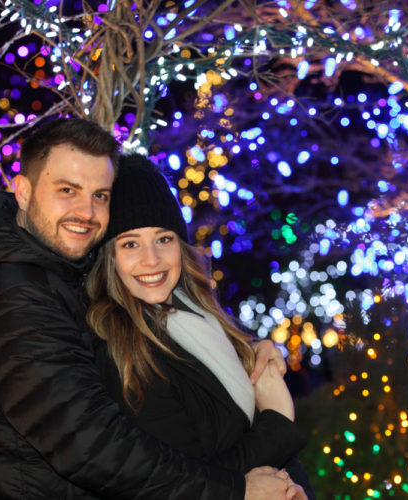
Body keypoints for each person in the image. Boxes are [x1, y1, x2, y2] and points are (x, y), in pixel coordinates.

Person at [0, 117, 297, 499]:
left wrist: (246, 355)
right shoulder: (11, 298)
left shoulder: (53, 273)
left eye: (100, 195)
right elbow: (97, 449)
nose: (86, 211)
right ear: (23, 192)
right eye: (67, 189)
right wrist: (237, 489)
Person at [86, 154, 315, 499]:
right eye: (130, 243)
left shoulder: (202, 317)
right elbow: (190, 480)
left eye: (163, 239)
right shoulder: (123, 352)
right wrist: (278, 421)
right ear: (109, 257)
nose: (152, 260)